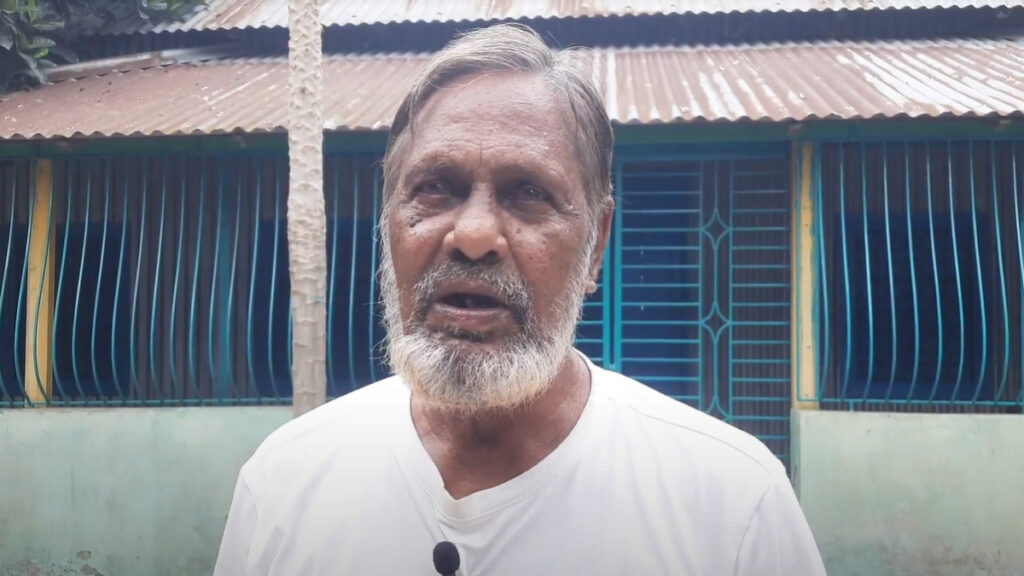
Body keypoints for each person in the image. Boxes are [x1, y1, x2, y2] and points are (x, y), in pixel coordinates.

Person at [213, 23, 827, 576]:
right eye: (436, 187)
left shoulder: (733, 506)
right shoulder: (285, 483)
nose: (474, 235)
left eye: (528, 193)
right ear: (388, 222)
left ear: (596, 245)